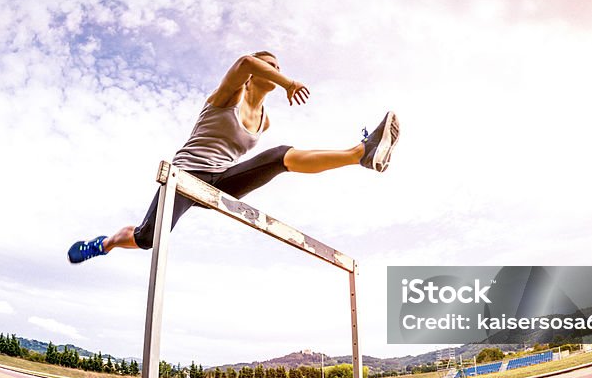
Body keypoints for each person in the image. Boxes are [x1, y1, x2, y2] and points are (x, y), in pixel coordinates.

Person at [67, 51, 399, 263]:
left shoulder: (264, 120)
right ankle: (106, 243)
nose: (277, 70)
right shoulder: (229, 95)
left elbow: (248, 149)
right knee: (147, 238)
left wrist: (280, 79)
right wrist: (288, 82)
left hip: (222, 182)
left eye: (280, 68)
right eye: (270, 66)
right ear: (254, 76)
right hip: (184, 177)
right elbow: (243, 63)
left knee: (280, 156)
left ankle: (360, 154)